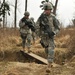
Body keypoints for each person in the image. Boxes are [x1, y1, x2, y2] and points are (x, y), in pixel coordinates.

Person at [35, 3, 60, 70]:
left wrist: (54, 32)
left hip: (50, 37)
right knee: (46, 50)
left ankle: (49, 65)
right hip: (44, 37)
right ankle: (50, 62)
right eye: (45, 10)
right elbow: (37, 26)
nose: (47, 11)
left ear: (50, 10)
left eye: (48, 10)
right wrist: (39, 34)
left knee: (51, 49)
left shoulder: (53, 17)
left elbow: (58, 27)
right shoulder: (41, 17)